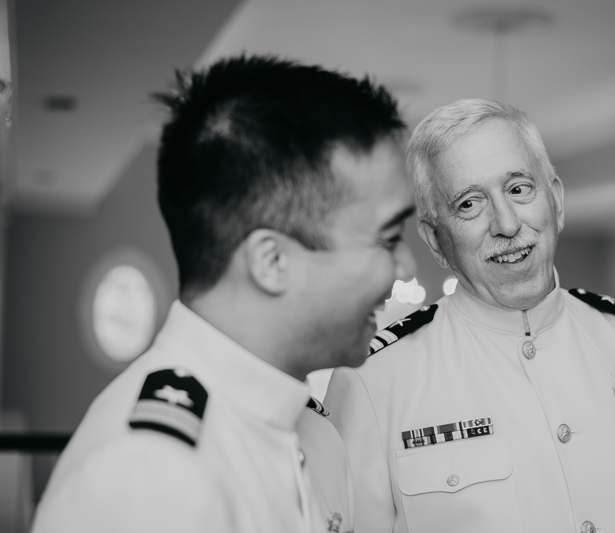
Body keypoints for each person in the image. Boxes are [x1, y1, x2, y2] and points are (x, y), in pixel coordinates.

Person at [32, 56, 416, 533]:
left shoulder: (317, 438)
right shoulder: (150, 477)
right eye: (387, 239)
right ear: (272, 261)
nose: (406, 268)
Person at [325, 98, 615, 533]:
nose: (507, 223)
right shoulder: (372, 381)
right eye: (469, 204)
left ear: (555, 200)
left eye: (519, 189)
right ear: (436, 240)